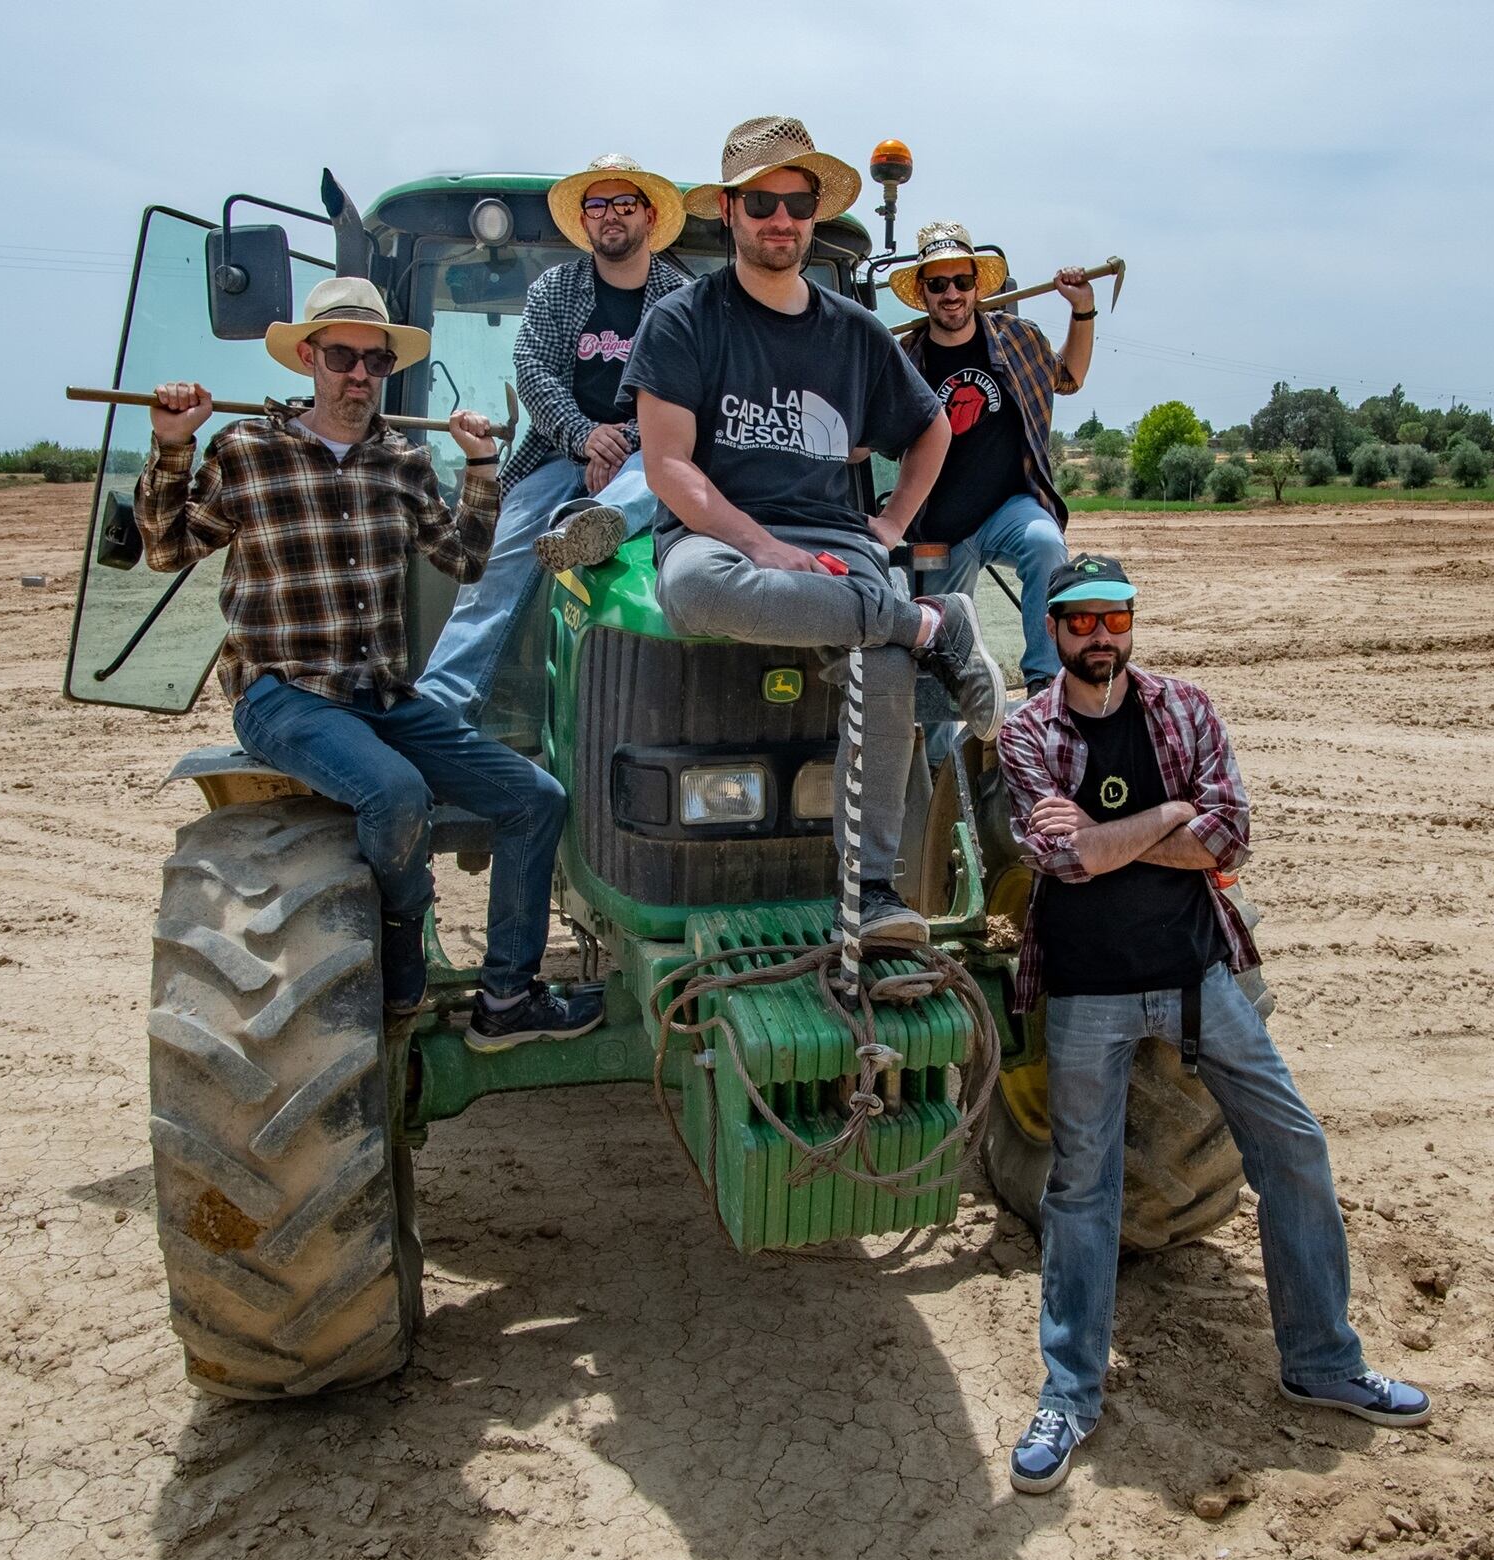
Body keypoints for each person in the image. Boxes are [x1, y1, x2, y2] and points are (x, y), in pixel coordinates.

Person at [994, 554, 1431, 1493]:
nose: (1097, 635)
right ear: (1054, 630)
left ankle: (1321, 1363)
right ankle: (1068, 1399)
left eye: (1114, 618)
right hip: (1085, 997)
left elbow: (1228, 834)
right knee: (1081, 1194)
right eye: (1079, 621)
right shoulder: (1026, 731)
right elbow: (1059, 857)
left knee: (1296, 1150)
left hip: (1200, 979)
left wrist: (1117, 842)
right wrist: (1167, 816)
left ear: (1130, 625)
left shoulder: (1186, 708)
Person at [139, 276, 604, 1050]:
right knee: (395, 792)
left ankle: (507, 997)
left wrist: (484, 470)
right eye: (342, 356)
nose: (358, 373)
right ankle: (398, 936)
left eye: (374, 360)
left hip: (383, 695)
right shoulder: (247, 451)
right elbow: (164, 549)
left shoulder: (403, 460)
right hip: (284, 695)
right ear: (309, 361)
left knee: (536, 797)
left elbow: (460, 560)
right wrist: (171, 445)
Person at [624, 116, 1007, 945]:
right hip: (723, 541)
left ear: (812, 217)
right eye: (761, 200)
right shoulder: (684, 322)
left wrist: (892, 525)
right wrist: (757, 544)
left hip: (836, 536)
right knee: (689, 587)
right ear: (727, 210)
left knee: (880, 648)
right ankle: (931, 622)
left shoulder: (855, 333)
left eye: (796, 203)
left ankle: (872, 893)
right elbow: (668, 469)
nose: (780, 218)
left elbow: (932, 426)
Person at [415, 154, 690, 724]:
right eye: (597, 206)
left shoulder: (682, 298)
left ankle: (595, 520)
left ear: (649, 214)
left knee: (665, 473)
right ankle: (437, 710)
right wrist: (588, 437)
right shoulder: (554, 290)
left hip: (651, 455)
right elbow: (533, 371)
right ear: (584, 222)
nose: (609, 216)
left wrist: (623, 442)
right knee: (496, 559)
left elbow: (691, 388)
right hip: (560, 452)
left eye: (623, 204)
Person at [890, 222, 1098, 695]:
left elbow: (1070, 376)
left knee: (1045, 542)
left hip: (1009, 507)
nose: (951, 294)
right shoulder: (905, 360)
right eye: (938, 283)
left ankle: (1044, 681)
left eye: (962, 282)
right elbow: (872, 435)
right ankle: (939, 754)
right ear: (922, 291)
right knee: (940, 656)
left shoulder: (1018, 339)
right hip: (940, 527)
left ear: (977, 286)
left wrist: (1082, 310)